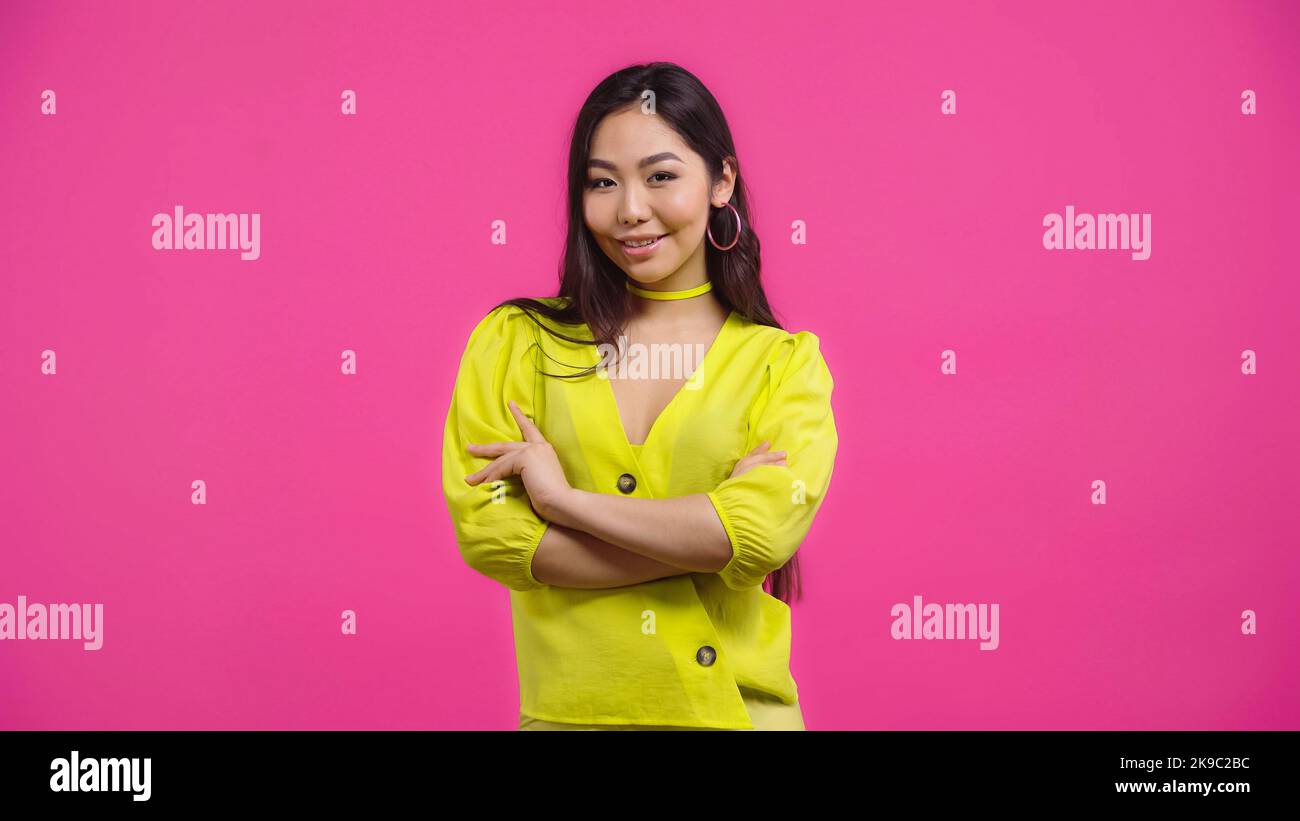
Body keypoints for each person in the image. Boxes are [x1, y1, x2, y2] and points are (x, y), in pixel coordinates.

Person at [441, 62, 837, 730]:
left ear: (722, 181)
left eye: (660, 176)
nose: (629, 209)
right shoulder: (516, 343)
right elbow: (492, 536)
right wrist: (702, 537)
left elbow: (759, 533)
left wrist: (565, 505)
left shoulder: (782, 364)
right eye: (602, 182)